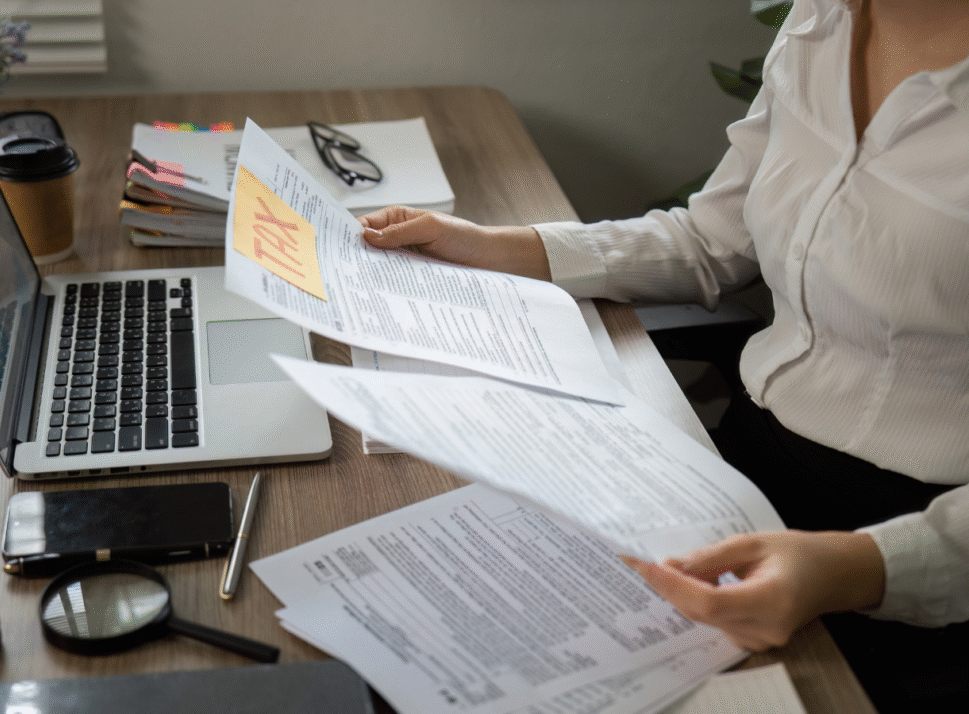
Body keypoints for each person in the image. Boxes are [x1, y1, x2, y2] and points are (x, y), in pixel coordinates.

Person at [357, 0, 969, 710]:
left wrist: (863, 568)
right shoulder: (822, 21)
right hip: (742, 470)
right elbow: (714, 240)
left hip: (918, 552)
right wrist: (502, 247)